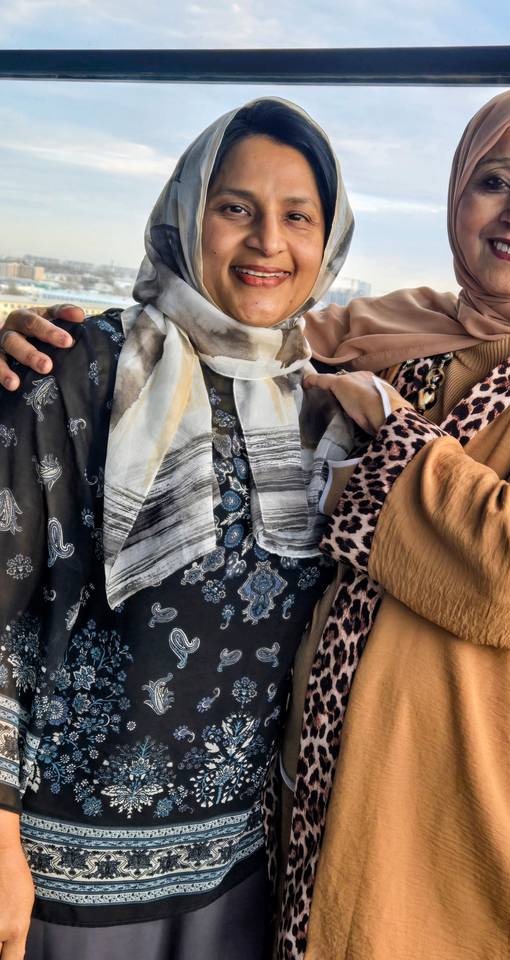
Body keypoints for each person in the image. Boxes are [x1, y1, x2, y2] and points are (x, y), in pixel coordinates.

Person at [3, 84, 510, 960]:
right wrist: (31, 354)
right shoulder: (378, 335)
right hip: (319, 830)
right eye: (494, 181)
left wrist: (381, 446)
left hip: (494, 833)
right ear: (456, 193)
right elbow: (227, 325)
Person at [0, 96, 358, 960]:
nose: (268, 241)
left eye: (297, 216)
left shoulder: (327, 409)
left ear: (330, 241)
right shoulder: (81, 371)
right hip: (60, 877)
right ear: (185, 218)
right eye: (235, 208)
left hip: (238, 874)